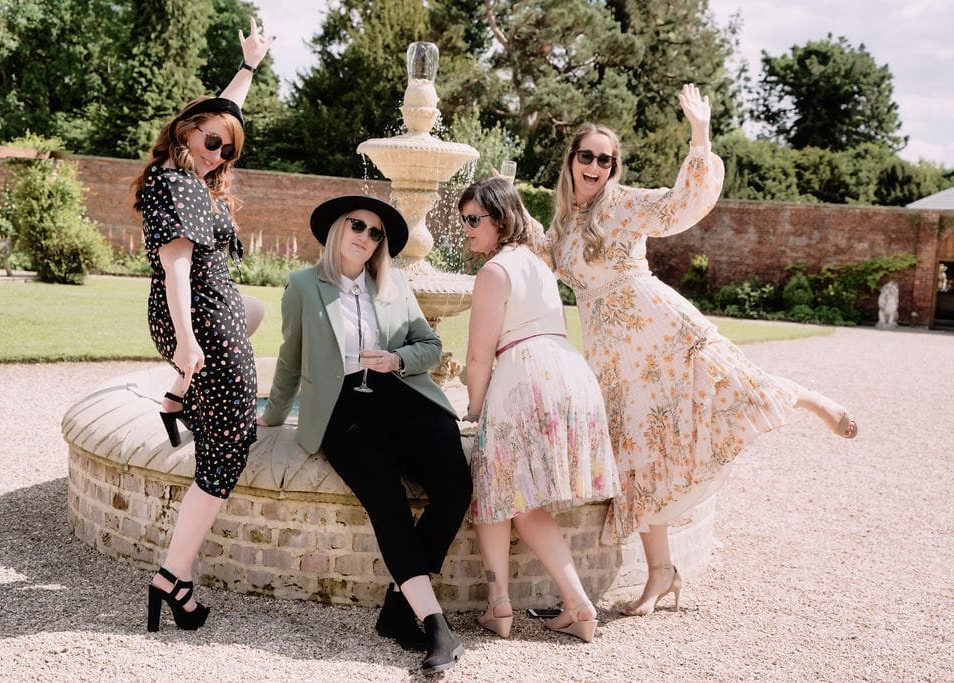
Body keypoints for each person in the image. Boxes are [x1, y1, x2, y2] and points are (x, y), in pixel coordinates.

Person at [546, 84, 858, 617]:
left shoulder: (622, 204)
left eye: (606, 159)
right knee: (640, 455)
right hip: (613, 355)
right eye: (587, 156)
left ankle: (808, 398)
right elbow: (539, 257)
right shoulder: (561, 224)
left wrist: (699, 132)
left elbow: (679, 206)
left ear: (613, 166)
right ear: (571, 161)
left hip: (656, 324)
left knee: (730, 381)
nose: (595, 166)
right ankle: (660, 575)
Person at [258, 195, 472, 674]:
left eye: (377, 233)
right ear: (339, 227)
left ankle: (398, 609)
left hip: (403, 397)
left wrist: (398, 360)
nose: (366, 237)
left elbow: (431, 345)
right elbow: (290, 359)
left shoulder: (393, 283)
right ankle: (435, 624)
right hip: (344, 411)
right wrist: (271, 417)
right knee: (387, 500)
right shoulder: (303, 286)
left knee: (455, 485)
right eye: (359, 225)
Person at [130, 17, 272, 632]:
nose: (218, 155)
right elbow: (178, 265)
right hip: (204, 322)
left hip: (212, 317)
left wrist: (248, 69)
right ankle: (173, 576)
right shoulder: (179, 185)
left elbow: (222, 115)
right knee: (227, 451)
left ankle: (175, 400)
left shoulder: (182, 175)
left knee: (258, 311)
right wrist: (188, 343)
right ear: (185, 132)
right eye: (210, 142)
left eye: (227, 150)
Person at [460, 178, 618, 643]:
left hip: (524, 378)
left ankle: (501, 606)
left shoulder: (494, 271)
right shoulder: (538, 263)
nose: (466, 230)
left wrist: (473, 407)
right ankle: (578, 605)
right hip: (567, 372)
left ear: (501, 219)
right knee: (521, 503)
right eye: (463, 220)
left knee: (492, 490)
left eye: (474, 220)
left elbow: (476, 356)